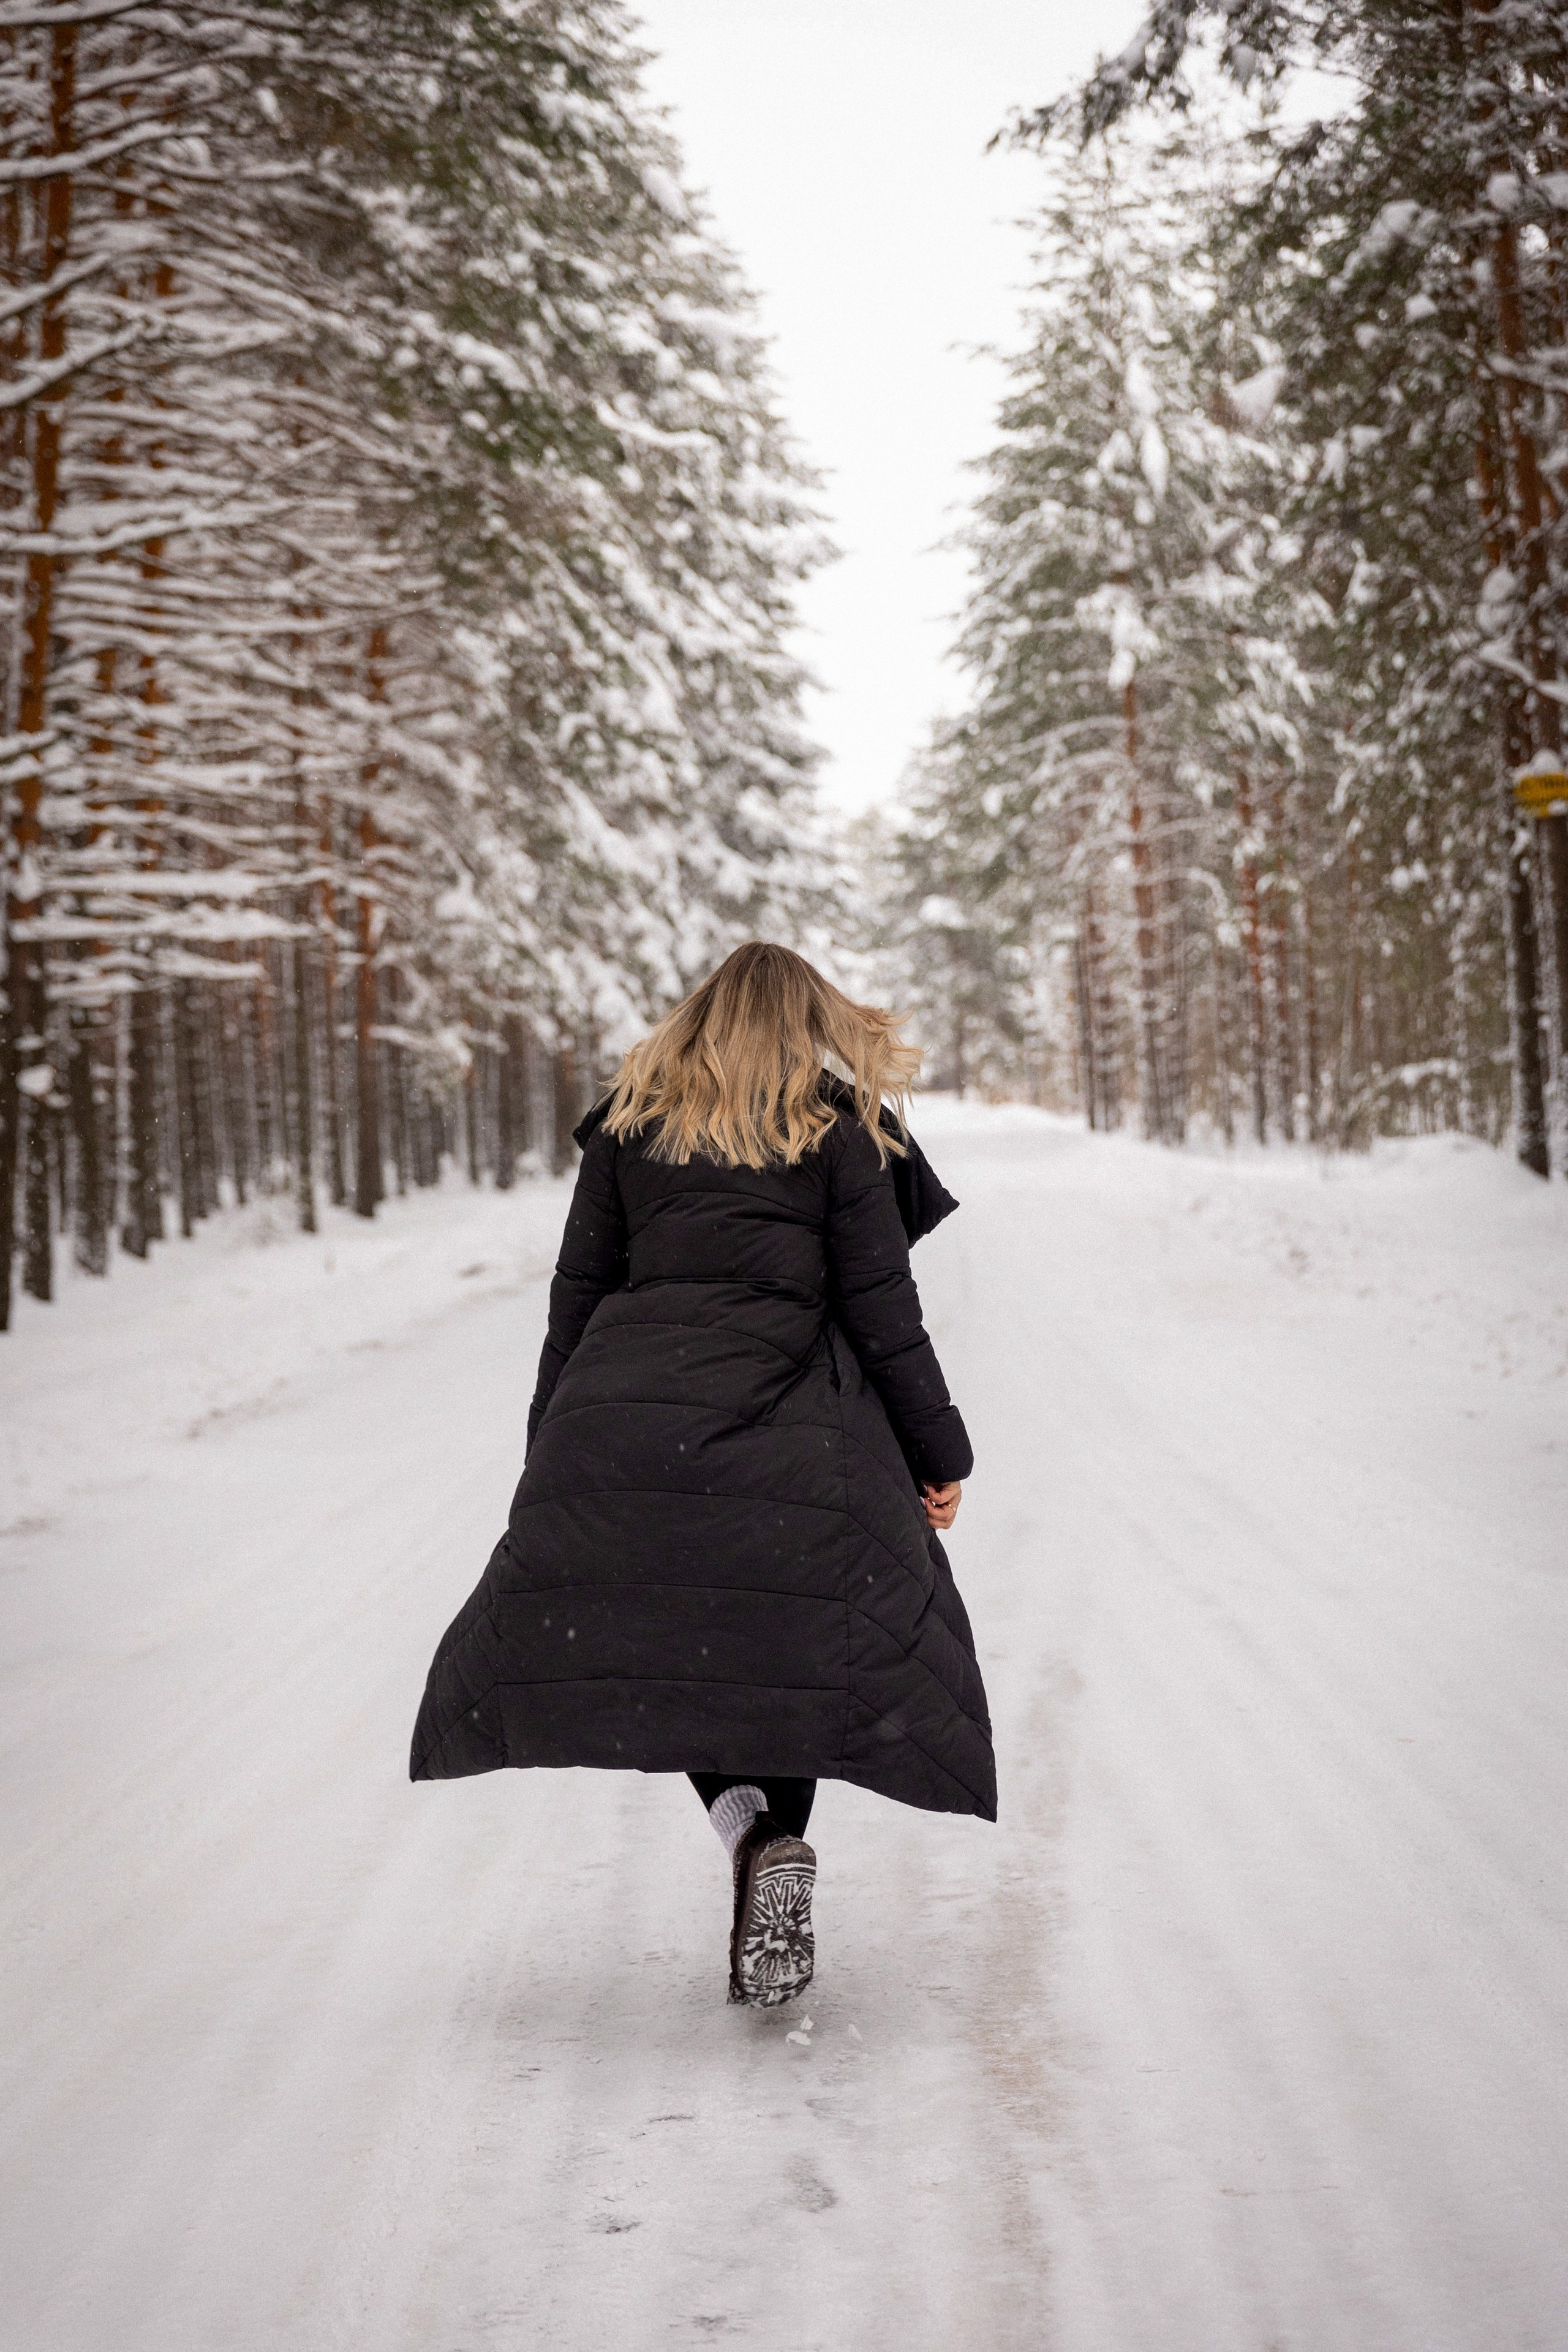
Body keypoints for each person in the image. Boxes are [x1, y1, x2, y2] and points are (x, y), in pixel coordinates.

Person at [410, 942, 995, 2007]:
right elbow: (883, 1313)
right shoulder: (839, 1130)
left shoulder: (632, 1121)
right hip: (796, 1436)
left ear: (700, 1016)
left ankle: (754, 1839)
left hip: (628, 1427)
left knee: (680, 1657)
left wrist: (555, 1448)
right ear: (807, 1018)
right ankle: (771, 1845)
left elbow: (575, 1298)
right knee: (794, 1656)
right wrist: (939, 1455)